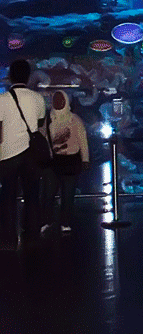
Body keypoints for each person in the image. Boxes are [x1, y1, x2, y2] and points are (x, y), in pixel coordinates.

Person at [0, 59, 45, 249]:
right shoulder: (38, 98)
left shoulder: (2, 99)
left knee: (7, 198)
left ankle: (8, 240)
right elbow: (41, 123)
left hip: (8, 153)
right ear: (29, 76)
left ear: (10, 76)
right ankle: (32, 237)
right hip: (31, 154)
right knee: (32, 196)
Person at [42, 90, 90, 233]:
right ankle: (46, 220)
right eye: (55, 100)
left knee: (68, 195)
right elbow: (44, 138)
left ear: (66, 101)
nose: (58, 103)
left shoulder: (75, 119)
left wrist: (85, 159)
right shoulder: (49, 119)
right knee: (48, 193)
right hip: (53, 161)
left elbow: (83, 141)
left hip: (71, 160)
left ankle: (65, 221)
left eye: (60, 100)